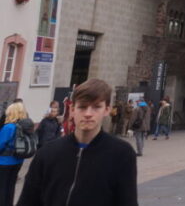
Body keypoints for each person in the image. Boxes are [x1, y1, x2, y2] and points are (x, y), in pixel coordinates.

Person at [17, 78, 137, 206]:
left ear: (107, 110)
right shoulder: (47, 153)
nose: (88, 114)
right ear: (72, 109)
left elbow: (127, 201)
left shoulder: (121, 153)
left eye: (96, 107)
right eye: (82, 107)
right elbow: (28, 200)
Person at [0, 101, 32, 206]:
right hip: (18, 161)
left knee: (2, 188)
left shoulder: (9, 127)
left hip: (4, 162)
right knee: (10, 186)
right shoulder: (24, 126)